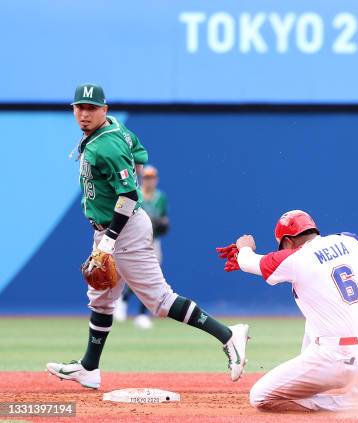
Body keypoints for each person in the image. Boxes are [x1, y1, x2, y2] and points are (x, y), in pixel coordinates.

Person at [46, 83, 249, 389]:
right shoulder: (115, 128)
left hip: (122, 229)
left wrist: (111, 238)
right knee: (101, 298)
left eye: (91, 108)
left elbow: (128, 194)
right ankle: (89, 367)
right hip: (109, 228)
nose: (84, 114)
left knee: (159, 300)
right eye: (79, 107)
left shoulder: (107, 145)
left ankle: (229, 335)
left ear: (105, 110)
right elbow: (140, 153)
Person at [226, 210, 358, 412]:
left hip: (339, 361)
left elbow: (247, 261)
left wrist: (244, 247)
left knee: (260, 397)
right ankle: (335, 386)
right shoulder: (348, 240)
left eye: (282, 245)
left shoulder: (296, 258)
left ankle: (352, 402)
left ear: (289, 241)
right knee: (315, 310)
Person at [114, 165, 169, 329]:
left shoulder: (161, 197)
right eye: (146, 177)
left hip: (153, 241)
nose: (149, 180)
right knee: (134, 275)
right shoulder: (135, 194)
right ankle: (122, 300)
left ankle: (142, 314)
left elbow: (164, 219)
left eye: (152, 177)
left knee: (152, 277)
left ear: (156, 179)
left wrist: (162, 224)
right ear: (141, 178)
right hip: (135, 240)